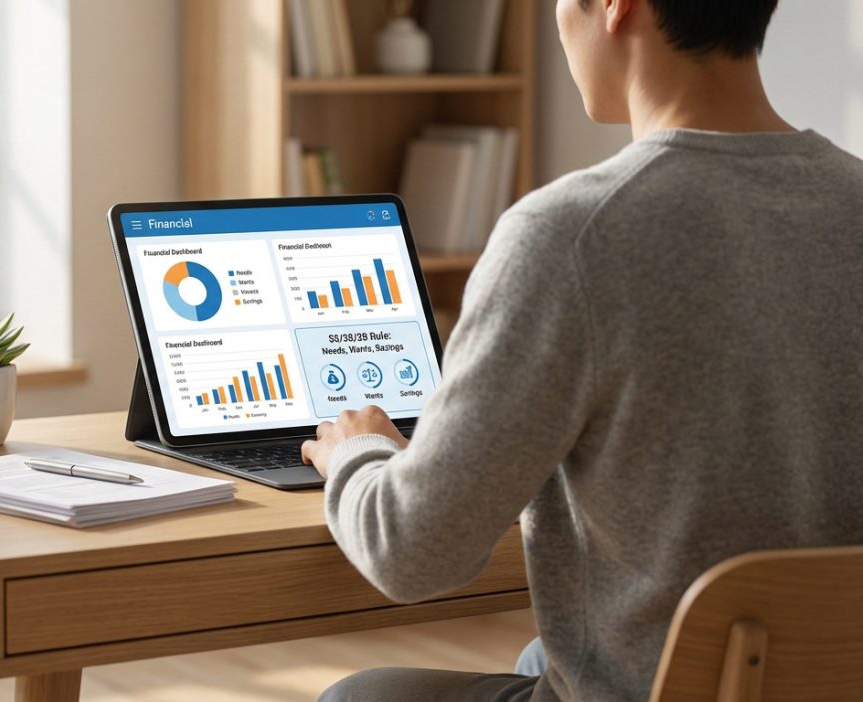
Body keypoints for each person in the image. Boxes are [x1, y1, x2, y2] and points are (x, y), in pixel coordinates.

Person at [300, 0, 863, 699]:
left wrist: (357, 453)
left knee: (361, 695)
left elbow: (412, 552)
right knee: (546, 649)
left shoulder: (571, 235)